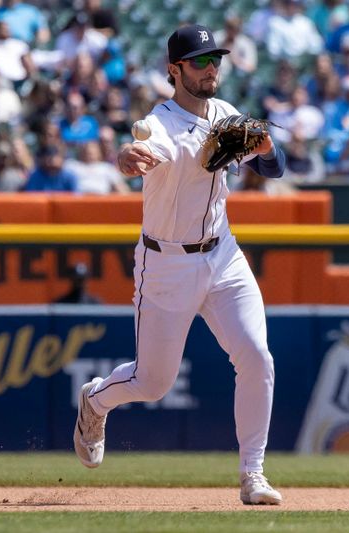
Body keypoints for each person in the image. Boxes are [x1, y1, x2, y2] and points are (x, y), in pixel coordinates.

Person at [74, 24, 285, 506]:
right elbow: (143, 151)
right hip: (167, 263)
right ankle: (96, 399)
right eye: (199, 62)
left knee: (257, 358)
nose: (211, 69)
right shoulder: (162, 123)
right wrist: (130, 156)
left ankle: (253, 474)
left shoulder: (227, 114)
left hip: (224, 255)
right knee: (153, 381)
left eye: (215, 60)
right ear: (175, 70)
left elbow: (275, 170)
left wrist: (267, 146)